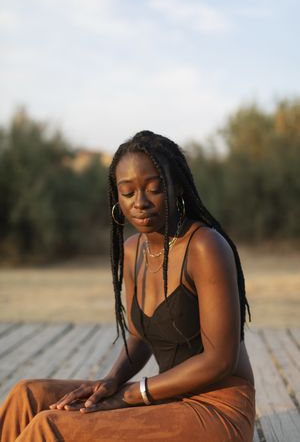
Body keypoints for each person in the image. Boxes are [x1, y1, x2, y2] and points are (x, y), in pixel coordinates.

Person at [0, 130, 256, 441]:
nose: (141, 203)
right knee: (27, 395)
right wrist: (111, 381)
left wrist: (133, 394)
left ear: (178, 188)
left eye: (154, 188)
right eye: (128, 192)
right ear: (116, 198)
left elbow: (220, 360)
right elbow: (140, 337)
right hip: (167, 397)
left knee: (50, 426)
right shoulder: (134, 250)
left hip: (217, 410)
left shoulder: (204, 246)